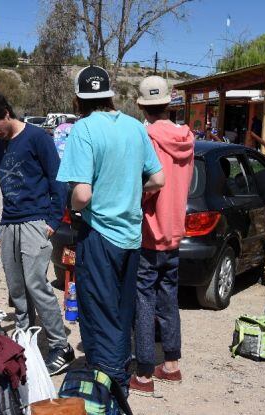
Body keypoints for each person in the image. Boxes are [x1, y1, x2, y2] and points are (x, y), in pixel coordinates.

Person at [56, 65, 165, 393]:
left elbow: (82, 194)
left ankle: (110, 383)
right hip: (131, 236)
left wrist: (75, 206)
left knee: (99, 312)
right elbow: (158, 179)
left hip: (99, 235)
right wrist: (129, 190)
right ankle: (118, 373)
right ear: (109, 96)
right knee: (121, 307)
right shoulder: (135, 127)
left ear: (78, 99)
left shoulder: (83, 130)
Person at [0, 88, 74, 375]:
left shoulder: (38, 138)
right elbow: (9, 193)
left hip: (36, 223)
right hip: (11, 225)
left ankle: (60, 346)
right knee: (17, 289)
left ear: (6, 113)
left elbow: (58, 182)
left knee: (36, 285)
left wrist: (52, 222)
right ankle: (26, 341)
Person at [128, 76, 194, 397]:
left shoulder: (146, 137)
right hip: (175, 231)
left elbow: (149, 183)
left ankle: (142, 373)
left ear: (141, 106)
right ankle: (171, 365)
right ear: (169, 103)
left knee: (144, 299)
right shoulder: (188, 137)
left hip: (149, 232)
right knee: (168, 295)